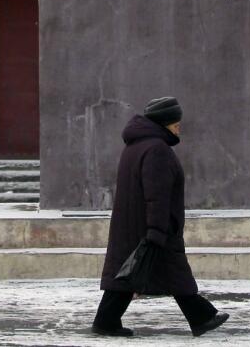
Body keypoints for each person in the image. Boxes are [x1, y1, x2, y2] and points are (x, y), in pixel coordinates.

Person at [92, 96, 229, 338]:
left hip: (134, 225)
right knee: (160, 271)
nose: (179, 126)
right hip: (154, 226)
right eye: (176, 122)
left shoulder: (136, 146)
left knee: (130, 273)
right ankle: (201, 317)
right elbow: (157, 194)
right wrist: (156, 230)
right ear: (165, 122)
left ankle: (107, 321)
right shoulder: (157, 150)